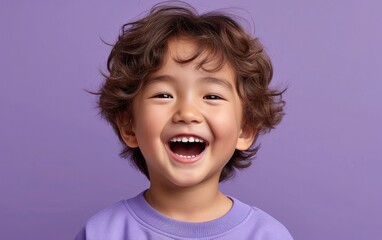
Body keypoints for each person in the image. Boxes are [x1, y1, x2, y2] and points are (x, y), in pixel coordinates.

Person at [75, 2, 293, 239]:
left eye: (212, 96)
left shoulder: (267, 235)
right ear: (129, 127)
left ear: (245, 130)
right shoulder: (102, 233)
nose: (187, 113)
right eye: (163, 95)